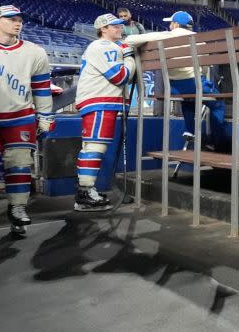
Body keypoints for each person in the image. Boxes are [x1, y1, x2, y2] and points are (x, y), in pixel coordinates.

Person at [126, 11, 226, 151]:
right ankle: (217, 142)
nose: (170, 25)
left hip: (173, 87)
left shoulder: (164, 36)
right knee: (218, 103)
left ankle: (189, 129)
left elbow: (129, 40)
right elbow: (203, 69)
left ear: (177, 24)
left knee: (189, 98)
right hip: (194, 84)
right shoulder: (200, 40)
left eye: (171, 23)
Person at [0, 5, 54, 234]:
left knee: (19, 164)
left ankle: (17, 209)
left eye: (19, 19)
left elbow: (41, 88)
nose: (17, 23)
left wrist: (45, 115)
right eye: (11, 19)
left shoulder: (35, 52)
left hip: (20, 116)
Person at [73, 13, 134, 211]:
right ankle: (84, 194)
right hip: (99, 101)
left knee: (92, 146)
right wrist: (129, 56)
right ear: (103, 29)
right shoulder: (103, 46)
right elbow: (120, 76)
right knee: (94, 147)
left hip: (100, 100)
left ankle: (85, 192)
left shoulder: (107, 47)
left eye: (119, 25)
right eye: (114, 26)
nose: (119, 28)